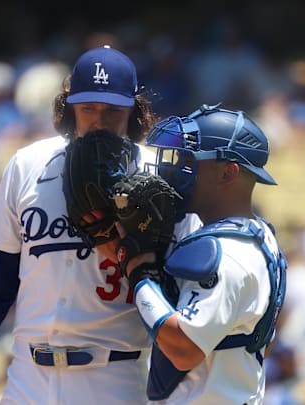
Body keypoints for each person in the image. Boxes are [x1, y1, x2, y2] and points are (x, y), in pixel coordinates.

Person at [0, 45, 200, 405]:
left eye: (112, 109)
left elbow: (185, 300)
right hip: (28, 379)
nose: (99, 120)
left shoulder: (160, 176)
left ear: (134, 110)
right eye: (88, 107)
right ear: (68, 106)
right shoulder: (28, 164)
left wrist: (129, 255)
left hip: (116, 377)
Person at [112, 105, 287, 404]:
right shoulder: (261, 236)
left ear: (228, 172)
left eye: (189, 161)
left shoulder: (227, 251)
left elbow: (183, 349)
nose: (175, 168)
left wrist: (138, 272)